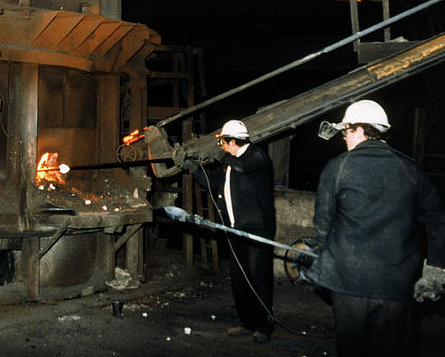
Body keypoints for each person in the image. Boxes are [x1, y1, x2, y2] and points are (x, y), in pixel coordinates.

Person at [308, 99, 445, 356]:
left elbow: (323, 224)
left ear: (360, 130)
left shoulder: (338, 167)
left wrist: (329, 256)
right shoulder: (411, 169)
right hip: (395, 284)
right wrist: (436, 267)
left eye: (347, 131)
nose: (344, 138)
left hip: (348, 282)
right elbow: (437, 220)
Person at [188, 119, 276, 342]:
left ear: (233, 140)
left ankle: (263, 327)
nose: (221, 146)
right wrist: (192, 167)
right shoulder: (230, 163)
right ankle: (246, 323)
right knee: (240, 279)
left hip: (256, 231)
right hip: (234, 230)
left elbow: (244, 166)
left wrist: (219, 156)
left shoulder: (257, 157)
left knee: (258, 278)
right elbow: (213, 182)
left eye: (223, 142)